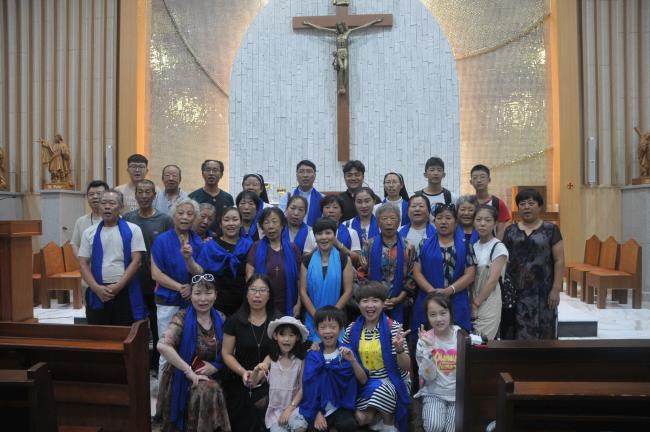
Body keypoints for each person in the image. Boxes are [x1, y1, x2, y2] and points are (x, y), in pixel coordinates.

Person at [155, 274, 230, 432]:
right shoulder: (181, 317)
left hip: (213, 372)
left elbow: (231, 350)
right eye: (197, 293)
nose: (203, 299)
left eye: (208, 293)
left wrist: (215, 366)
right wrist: (188, 371)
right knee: (208, 389)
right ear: (191, 295)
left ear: (216, 295)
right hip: (182, 375)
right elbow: (162, 346)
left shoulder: (222, 318)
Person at [342, 282, 411, 432]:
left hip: (391, 379)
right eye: (365, 301)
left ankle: (388, 423)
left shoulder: (394, 327)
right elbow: (342, 356)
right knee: (361, 418)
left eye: (375, 300)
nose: (370, 305)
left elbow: (406, 367)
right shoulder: (351, 329)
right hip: (363, 381)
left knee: (382, 391)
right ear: (358, 304)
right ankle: (377, 415)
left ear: (383, 303)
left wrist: (399, 349)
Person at [123, 179, 173, 372]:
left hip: (157, 282)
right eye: (140, 192)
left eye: (148, 192)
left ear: (154, 195)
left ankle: (155, 364)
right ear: (135, 195)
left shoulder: (165, 220)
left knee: (157, 324)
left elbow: (169, 248)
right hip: (133, 280)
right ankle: (136, 362)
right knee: (135, 324)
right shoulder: (128, 218)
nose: (144, 196)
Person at [77, 189, 147, 325]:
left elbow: (137, 261)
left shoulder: (133, 229)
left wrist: (118, 286)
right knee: (99, 333)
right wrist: (96, 288)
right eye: (103, 203)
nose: (107, 207)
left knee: (124, 332)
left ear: (121, 208)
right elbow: (83, 263)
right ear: (99, 207)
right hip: (97, 290)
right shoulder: (89, 232)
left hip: (125, 290)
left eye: (112, 203)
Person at [502, 189, 564, 340]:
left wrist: (556, 289)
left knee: (543, 332)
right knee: (515, 331)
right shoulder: (510, 231)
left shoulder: (551, 230)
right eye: (522, 204)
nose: (526, 207)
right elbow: (503, 260)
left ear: (540, 206)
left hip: (543, 292)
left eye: (531, 203)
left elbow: (559, 260)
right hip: (515, 292)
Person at [222, 274, 279, 432]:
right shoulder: (234, 321)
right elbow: (226, 353)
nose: (257, 295)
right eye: (253, 290)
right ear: (246, 294)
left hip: (271, 379)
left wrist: (263, 370)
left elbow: (280, 350)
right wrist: (243, 373)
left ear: (269, 295)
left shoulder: (278, 321)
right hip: (240, 378)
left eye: (262, 290)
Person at [152, 197, 202, 377]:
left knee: (189, 346)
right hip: (167, 301)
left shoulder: (198, 241)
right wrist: (181, 287)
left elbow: (200, 271)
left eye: (190, 214)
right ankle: (163, 388)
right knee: (167, 346)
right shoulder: (161, 240)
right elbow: (156, 274)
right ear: (173, 216)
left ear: (195, 218)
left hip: (192, 302)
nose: (185, 217)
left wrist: (189, 259)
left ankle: (185, 385)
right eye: (180, 213)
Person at [412, 203, 476, 333]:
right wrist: (431, 291)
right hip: (428, 298)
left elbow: (470, 275)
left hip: (457, 299)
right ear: (434, 221)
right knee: (426, 338)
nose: (443, 222)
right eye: (439, 218)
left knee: (457, 339)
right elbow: (417, 272)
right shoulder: (424, 244)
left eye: (448, 218)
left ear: (456, 222)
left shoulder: (466, 245)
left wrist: (449, 290)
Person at [300, 306, 363, 432]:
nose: (328, 331)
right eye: (323, 327)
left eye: (333, 327)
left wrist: (353, 360)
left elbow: (363, 380)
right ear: (316, 330)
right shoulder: (313, 355)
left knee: (348, 425)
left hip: (341, 405)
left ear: (341, 329)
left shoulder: (347, 352)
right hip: (318, 408)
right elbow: (309, 387)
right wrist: (317, 413)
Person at [186, 207, 254, 316]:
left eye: (235, 219)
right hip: (214, 304)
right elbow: (199, 272)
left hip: (242, 305)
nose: (231, 223)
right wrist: (188, 258)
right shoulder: (210, 246)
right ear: (221, 224)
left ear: (241, 223)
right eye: (226, 220)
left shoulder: (249, 246)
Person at [359, 204, 417, 325]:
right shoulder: (369, 245)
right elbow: (361, 274)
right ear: (378, 222)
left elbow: (412, 276)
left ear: (399, 221)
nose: (389, 222)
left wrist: (399, 298)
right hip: (372, 304)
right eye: (384, 219)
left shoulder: (408, 246)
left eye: (393, 218)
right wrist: (376, 299)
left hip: (402, 303)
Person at [299, 218, 353, 344]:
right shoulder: (307, 260)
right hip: (312, 318)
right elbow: (302, 291)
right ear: (315, 237)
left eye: (328, 233)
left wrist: (331, 316)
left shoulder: (344, 259)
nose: (324, 237)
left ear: (334, 235)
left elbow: (348, 291)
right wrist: (317, 316)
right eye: (319, 234)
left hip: (337, 317)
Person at [251, 316, 309, 432]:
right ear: (275, 336)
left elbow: (302, 388)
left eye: (291, 335)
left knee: (300, 427)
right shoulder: (270, 359)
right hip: (275, 413)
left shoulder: (300, 361)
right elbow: (253, 383)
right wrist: (256, 370)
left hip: (294, 408)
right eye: (282, 335)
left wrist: (290, 409)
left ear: (297, 337)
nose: (287, 339)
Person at [414, 293, 459, 432]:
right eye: (433, 315)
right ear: (427, 317)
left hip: (457, 394)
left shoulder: (461, 335)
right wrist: (429, 349)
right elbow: (428, 377)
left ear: (450, 313)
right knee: (434, 426)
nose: (438, 319)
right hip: (433, 392)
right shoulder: (424, 340)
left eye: (443, 313)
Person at [246, 207, 301, 317]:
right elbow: (249, 277)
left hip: (289, 304)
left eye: (274, 221)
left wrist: (299, 303)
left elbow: (300, 279)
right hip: (262, 304)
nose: (270, 226)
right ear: (262, 227)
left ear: (282, 225)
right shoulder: (256, 247)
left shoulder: (293, 248)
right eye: (266, 222)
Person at [471, 205, 507, 340]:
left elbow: (493, 280)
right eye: (478, 219)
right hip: (473, 297)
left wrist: (476, 304)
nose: (482, 224)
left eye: (487, 220)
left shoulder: (498, 247)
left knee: (482, 341)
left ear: (495, 223)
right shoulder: (474, 246)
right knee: (470, 342)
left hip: (489, 300)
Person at [302, 195, 361, 265]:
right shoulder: (312, 233)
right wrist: (317, 248)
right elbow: (305, 258)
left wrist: (339, 245)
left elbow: (357, 259)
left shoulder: (352, 232)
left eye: (335, 207)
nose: (331, 211)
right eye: (327, 207)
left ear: (341, 213)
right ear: (322, 212)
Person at [189, 160, 234, 232]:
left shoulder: (228, 198)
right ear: (203, 174)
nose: (211, 173)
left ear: (221, 174)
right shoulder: (193, 197)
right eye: (208, 170)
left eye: (215, 170)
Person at [469, 164, 511, 240]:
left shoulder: (498, 203)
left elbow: (500, 231)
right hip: (469, 244)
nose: (479, 180)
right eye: (475, 178)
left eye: (482, 177)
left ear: (489, 180)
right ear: (471, 182)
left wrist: (495, 246)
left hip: (490, 244)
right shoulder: (468, 203)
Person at [279, 160, 324, 226]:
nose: (305, 175)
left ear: (314, 175)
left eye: (309, 171)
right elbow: (281, 219)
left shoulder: (322, 198)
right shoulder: (287, 197)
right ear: (297, 175)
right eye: (301, 171)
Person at [71, 180, 109, 257]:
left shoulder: (117, 220)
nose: (95, 197)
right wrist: (83, 262)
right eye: (91, 194)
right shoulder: (80, 221)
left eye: (99, 194)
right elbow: (75, 245)